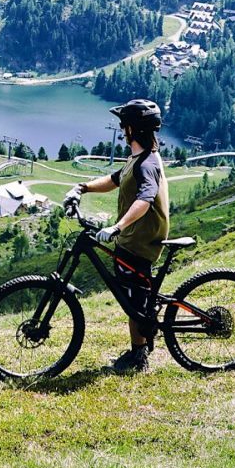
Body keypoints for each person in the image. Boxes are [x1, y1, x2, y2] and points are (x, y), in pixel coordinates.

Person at [62, 98, 170, 373]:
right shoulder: (137, 158)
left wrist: (116, 226)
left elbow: (145, 198)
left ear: (132, 129)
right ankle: (142, 343)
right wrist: (82, 187)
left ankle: (139, 356)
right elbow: (114, 179)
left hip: (139, 242)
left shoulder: (147, 163)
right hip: (132, 240)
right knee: (133, 298)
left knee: (135, 302)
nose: (121, 130)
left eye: (124, 125)